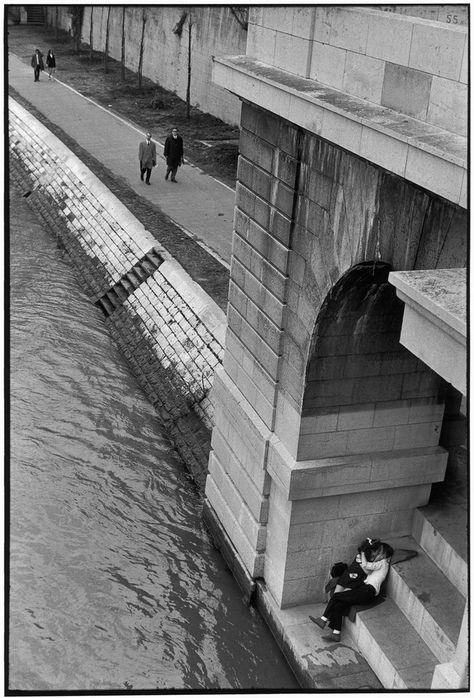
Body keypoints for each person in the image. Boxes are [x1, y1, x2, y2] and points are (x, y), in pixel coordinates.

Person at [311, 541, 393, 643]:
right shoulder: (380, 564)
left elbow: (366, 565)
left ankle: (323, 619)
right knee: (339, 605)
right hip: (365, 591)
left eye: (380, 553)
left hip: (368, 591)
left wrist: (363, 552)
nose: (377, 555)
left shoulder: (383, 563)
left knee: (336, 596)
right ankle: (336, 634)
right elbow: (367, 567)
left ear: (384, 555)